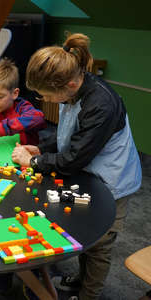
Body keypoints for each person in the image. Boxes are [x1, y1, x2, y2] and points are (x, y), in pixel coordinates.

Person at [11, 33, 142, 300]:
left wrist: (34, 161)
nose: (45, 100)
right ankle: (80, 279)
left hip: (112, 181)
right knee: (85, 231)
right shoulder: (72, 90)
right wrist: (42, 149)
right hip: (89, 173)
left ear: (69, 84)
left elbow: (73, 158)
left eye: (46, 95)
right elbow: (69, 137)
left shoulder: (101, 104)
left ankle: (89, 295)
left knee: (100, 244)